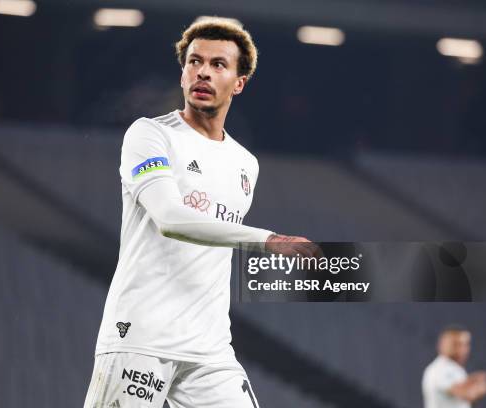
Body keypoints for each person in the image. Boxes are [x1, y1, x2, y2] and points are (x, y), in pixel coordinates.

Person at [83, 17, 313, 408]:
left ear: (239, 82)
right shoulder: (150, 135)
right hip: (141, 337)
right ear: (183, 73)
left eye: (219, 64)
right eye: (194, 61)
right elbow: (171, 219)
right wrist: (267, 240)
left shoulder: (246, 164)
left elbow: (213, 247)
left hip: (209, 350)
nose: (203, 71)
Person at [422, 326, 486, 408]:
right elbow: (468, 394)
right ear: (442, 344)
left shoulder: (454, 368)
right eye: (455, 344)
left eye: (465, 344)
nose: (461, 349)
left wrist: (474, 379)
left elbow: (460, 385)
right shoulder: (439, 369)